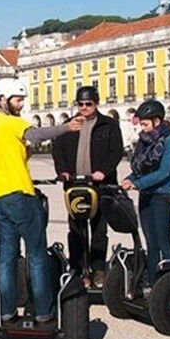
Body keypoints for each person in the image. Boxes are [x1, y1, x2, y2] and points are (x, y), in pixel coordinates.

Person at [0, 78, 83, 324]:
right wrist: (67, 127)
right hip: (21, 196)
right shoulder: (11, 122)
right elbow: (36, 135)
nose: (22, 105)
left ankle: (7, 311)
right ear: (3, 99)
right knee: (36, 255)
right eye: (18, 100)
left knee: (6, 256)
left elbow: (6, 158)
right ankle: (44, 311)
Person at [51, 85, 125, 287]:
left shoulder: (108, 125)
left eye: (88, 104)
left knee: (99, 229)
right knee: (76, 229)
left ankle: (98, 268)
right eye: (80, 104)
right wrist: (63, 171)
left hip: (101, 186)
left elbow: (116, 152)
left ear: (96, 103)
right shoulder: (69, 125)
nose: (84, 108)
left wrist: (104, 171)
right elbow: (57, 150)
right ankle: (78, 268)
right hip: (75, 186)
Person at [121, 100, 170, 287]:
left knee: (163, 240)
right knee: (150, 242)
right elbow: (140, 169)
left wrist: (137, 184)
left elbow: (164, 172)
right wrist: (128, 180)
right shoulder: (144, 142)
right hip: (146, 196)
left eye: (145, 124)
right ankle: (154, 283)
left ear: (157, 121)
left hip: (162, 196)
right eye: (141, 125)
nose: (143, 129)